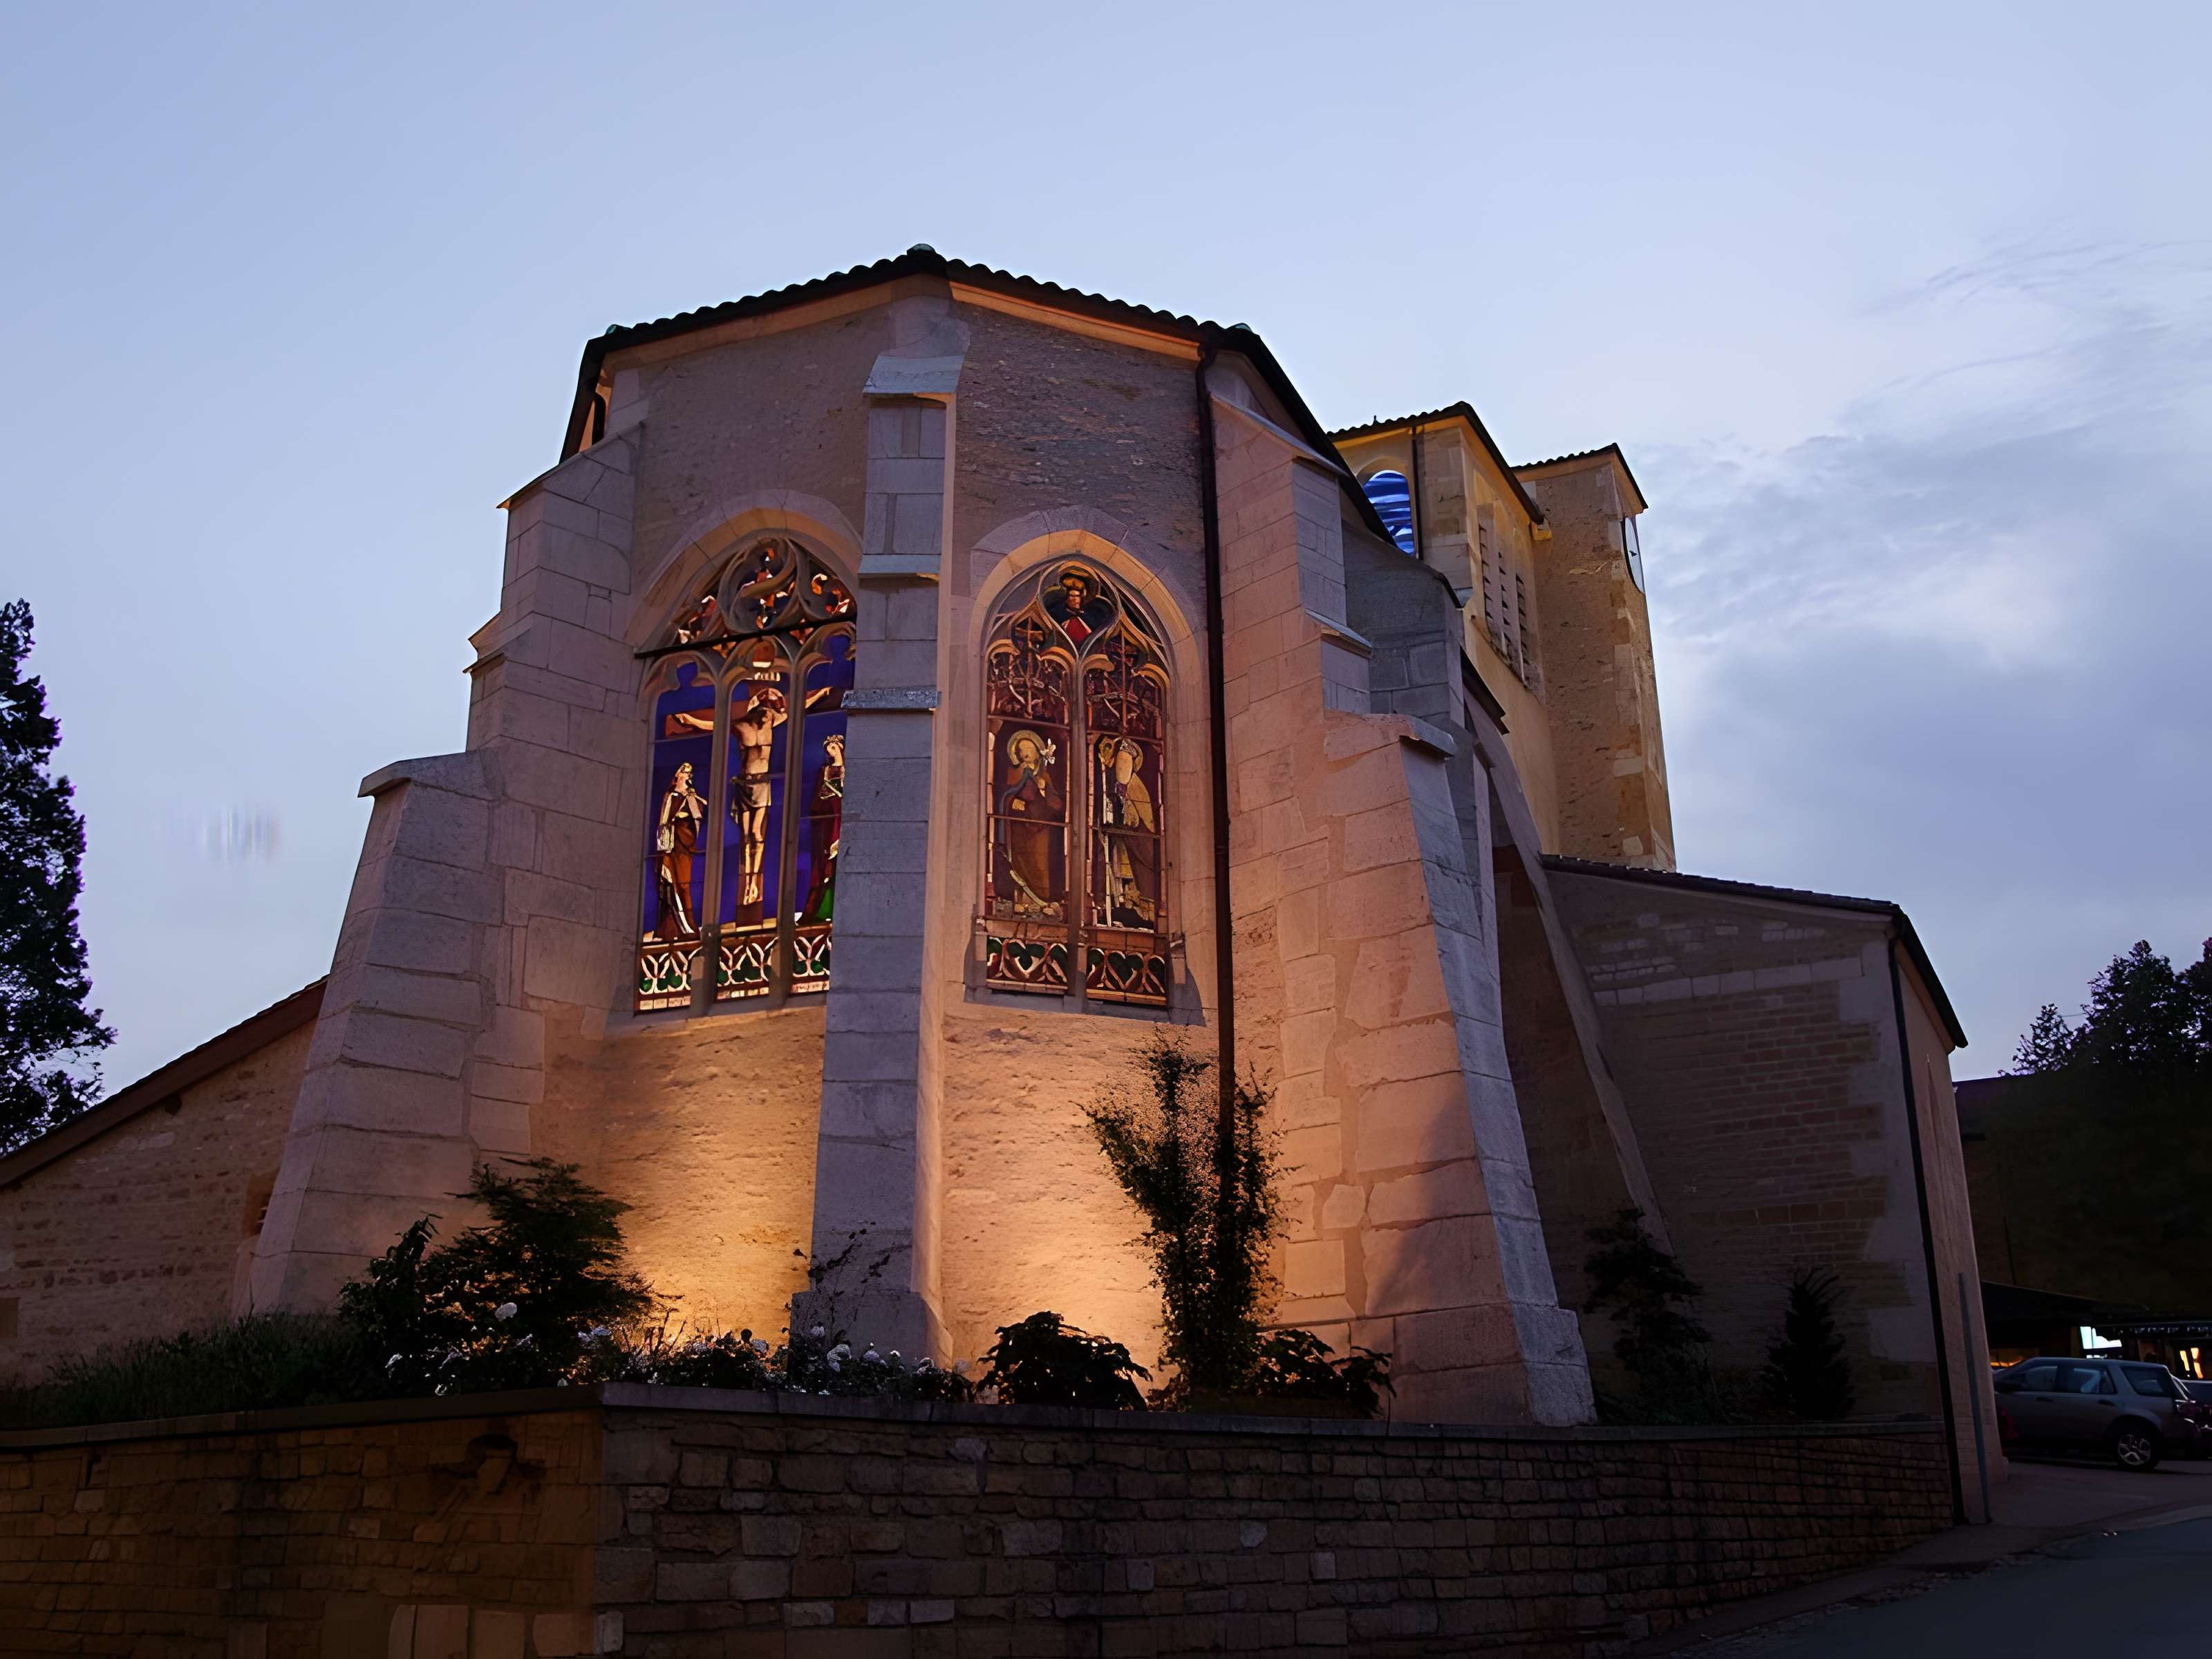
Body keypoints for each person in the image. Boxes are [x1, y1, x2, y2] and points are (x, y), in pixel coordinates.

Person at [995, 728, 1062, 917]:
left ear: (1037, 752)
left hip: (1040, 830)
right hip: (1020, 830)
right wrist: (1013, 800)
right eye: (1020, 750)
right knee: (1020, 865)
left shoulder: (1044, 775)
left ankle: (1042, 901)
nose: (1024, 753)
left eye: (1028, 749)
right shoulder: (1015, 773)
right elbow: (1005, 795)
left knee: (1040, 866)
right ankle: (1022, 900)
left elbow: (1057, 806)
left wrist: (1042, 791)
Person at [1094, 735, 1157, 926]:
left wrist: (1120, 822)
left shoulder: (1135, 786)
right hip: (1121, 840)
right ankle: (1116, 901)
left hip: (1137, 840)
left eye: (1126, 763)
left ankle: (1142, 905)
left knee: (1135, 875)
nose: (1123, 767)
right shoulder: (1117, 786)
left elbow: (1138, 820)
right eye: (1120, 763)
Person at [651, 760, 705, 939]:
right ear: (678, 775)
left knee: (684, 885)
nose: (689, 775)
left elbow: (698, 816)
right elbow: (664, 821)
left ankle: (687, 924)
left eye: (690, 773)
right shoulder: (671, 796)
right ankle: (676, 926)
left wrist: (691, 801)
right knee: (671, 884)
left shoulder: (691, 796)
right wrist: (664, 849)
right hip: (671, 848)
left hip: (685, 848)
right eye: (685, 772)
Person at [800, 731, 845, 924]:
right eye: (829, 749)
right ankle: (819, 908)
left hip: (842, 818)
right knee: (825, 863)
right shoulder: (824, 771)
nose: (832, 751)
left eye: (834, 748)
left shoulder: (849, 769)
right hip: (828, 820)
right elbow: (819, 798)